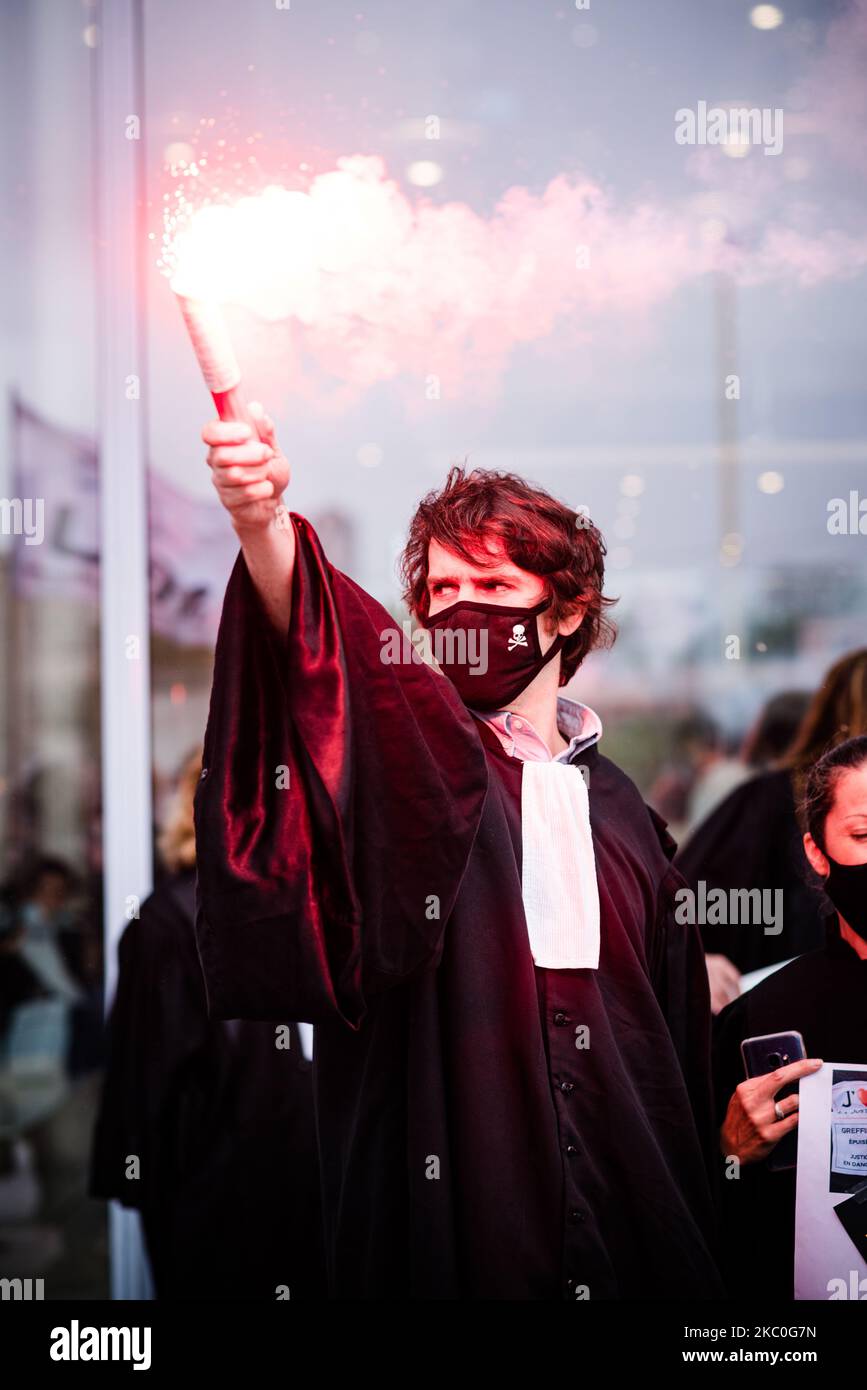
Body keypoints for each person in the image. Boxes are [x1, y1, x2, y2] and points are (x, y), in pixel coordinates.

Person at [193, 406, 724, 1300]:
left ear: (567, 609)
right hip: (447, 1228)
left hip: (633, 1228)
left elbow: (668, 1039)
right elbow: (320, 655)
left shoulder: (625, 812)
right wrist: (261, 524)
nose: (454, 609)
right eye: (437, 593)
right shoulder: (408, 763)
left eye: (488, 585)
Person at [89, 748, 326, 1300]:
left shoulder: (326, 910)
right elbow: (146, 1095)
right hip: (224, 1215)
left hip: (304, 1212)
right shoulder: (170, 925)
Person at [712, 734, 867, 1299]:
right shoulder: (763, 1016)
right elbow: (703, 1212)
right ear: (816, 851)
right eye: (864, 835)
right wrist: (731, 1150)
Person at [676, 649, 867, 1007]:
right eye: (861, 835)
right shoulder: (767, 805)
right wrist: (691, 961)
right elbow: (682, 909)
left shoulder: (762, 802)